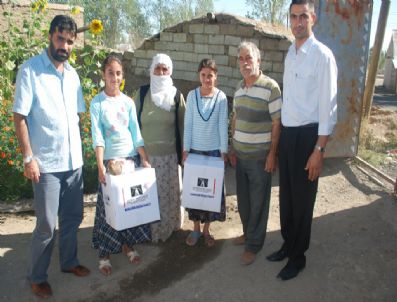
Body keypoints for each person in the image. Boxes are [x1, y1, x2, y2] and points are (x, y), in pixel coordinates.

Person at [13, 15, 90, 299]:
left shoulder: (73, 75)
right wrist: (28, 158)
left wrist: (79, 156)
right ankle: (36, 276)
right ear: (50, 36)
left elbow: (76, 117)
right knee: (46, 225)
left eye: (70, 42)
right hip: (45, 165)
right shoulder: (31, 70)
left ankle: (69, 263)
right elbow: (19, 117)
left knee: (72, 218)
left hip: (73, 164)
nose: (65, 46)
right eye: (60, 39)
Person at [266, 0, 338, 281]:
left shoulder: (323, 56)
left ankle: (298, 257)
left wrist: (319, 149)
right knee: (287, 198)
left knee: (303, 200)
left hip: (309, 136)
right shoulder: (290, 53)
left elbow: (328, 109)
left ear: (313, 19)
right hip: (288, 134)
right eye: (293, 16)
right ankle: (287, 244)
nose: (297, 22)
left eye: (303, 16)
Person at [90, 54, 152, 276]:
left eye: (118, 73)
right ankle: (105, 254)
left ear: (122, 75)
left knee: (128, 207)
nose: (114, 77)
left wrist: (143, 158)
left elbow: (136, 133)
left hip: (130, 161)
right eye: (110, 73)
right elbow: (97, 138)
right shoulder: (97, 103)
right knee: (108, 208)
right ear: (103, 75)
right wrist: (100, 166)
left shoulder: (127, 102)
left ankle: (127, 245)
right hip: (111, 164)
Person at [229, 41, 282, 265]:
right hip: (240, 157)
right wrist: (232, 145)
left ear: (258, 60)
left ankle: (254, 245)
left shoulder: (271, 87)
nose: (244, 62)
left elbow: (277, 123)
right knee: (244, 202)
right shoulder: (239, 89)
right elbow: (235, 119)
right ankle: (247, 233)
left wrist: (272, 154)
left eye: (248, 58)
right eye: (241, 59)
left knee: (258, 202)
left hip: (260, 158)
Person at [135, 53, 185, 243]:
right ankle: (149, 233)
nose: (161, 72)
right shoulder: (141, 94)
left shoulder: (176, 96)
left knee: (166, 197)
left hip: (169, 158)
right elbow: (133, 124)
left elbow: (183, 126)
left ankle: (168, 229)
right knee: (148, 198)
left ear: (170, 71)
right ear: (151, 69)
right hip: (146, 158)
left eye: (165, 69)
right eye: (158, 68)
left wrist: (184, 154)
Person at [183, 58, 228, 248]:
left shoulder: (222, 98)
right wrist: (185, 150)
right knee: (195, 192)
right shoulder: (192, 96)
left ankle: (207, 229)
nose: (207, 79)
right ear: (199, 76)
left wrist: (223, 151)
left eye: (210, 75)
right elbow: (189, 124)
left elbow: (222, 125)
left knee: (211, 193)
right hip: (194, 152)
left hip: (213, 153)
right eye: (203, 75)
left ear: (216, 76)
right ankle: (195, 228)